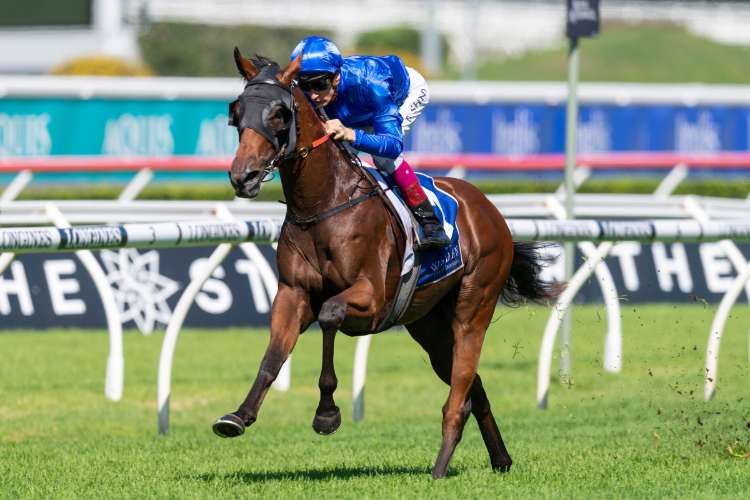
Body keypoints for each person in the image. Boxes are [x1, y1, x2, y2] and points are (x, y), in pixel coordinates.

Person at [290, 35, 450, 250]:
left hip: (402, 96)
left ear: (336, 77)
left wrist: (352, 134)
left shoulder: (373, 84)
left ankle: (431, 224)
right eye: (305, 86)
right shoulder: (314, 91)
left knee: (384, 159)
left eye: (319, 84)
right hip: (357, 110)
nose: (313, 95)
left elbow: (392, 145)